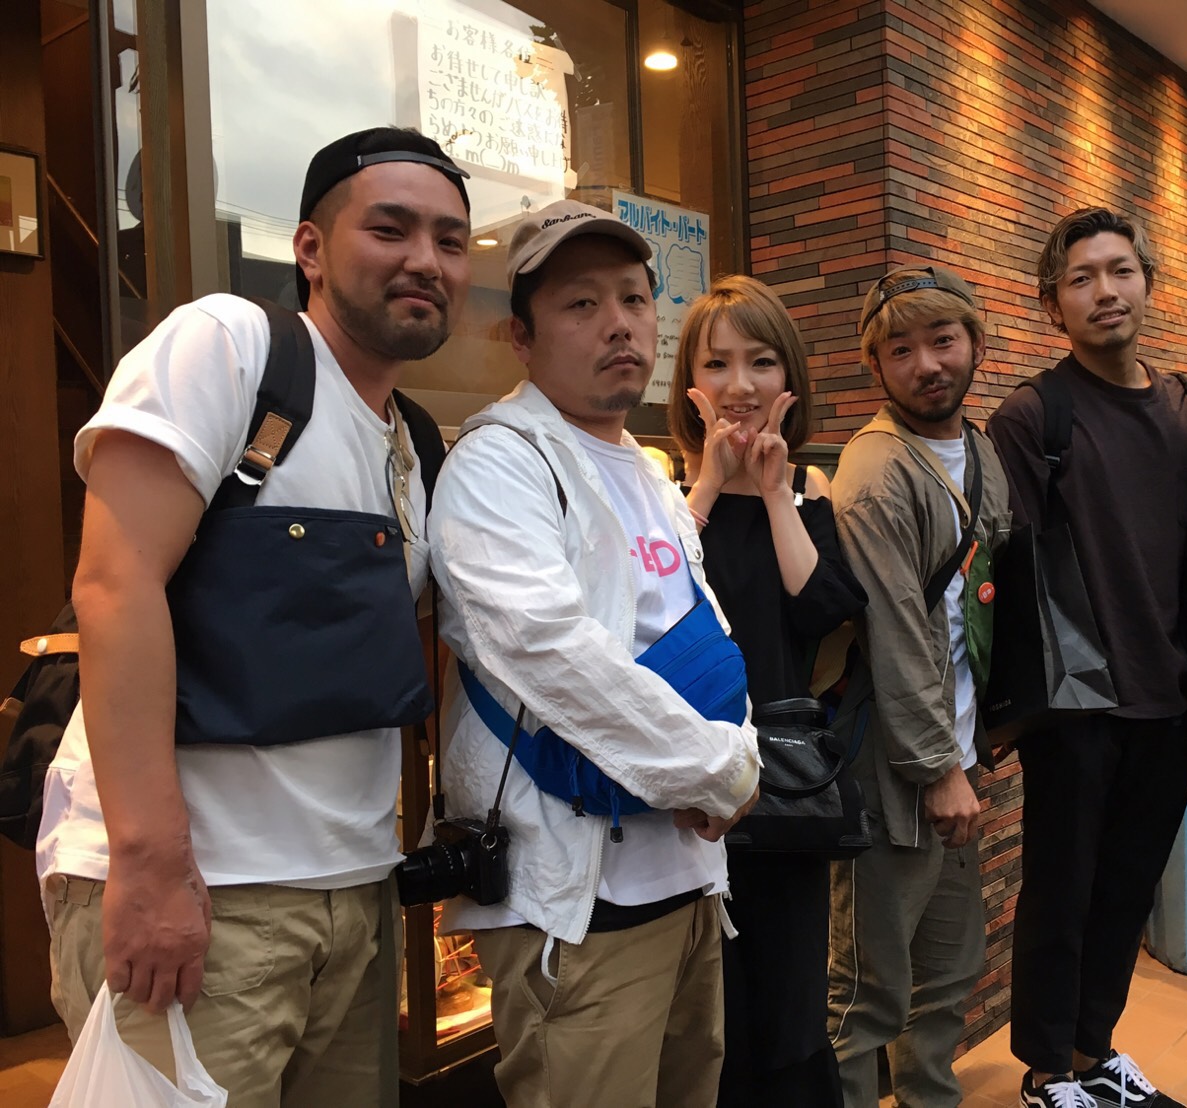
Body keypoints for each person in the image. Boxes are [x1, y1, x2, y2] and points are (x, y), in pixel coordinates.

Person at [37, 126, 472, 1106]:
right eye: (391, 229)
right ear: (310, 248)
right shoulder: (232, 345)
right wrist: (150, 866)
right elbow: (114, 583)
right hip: (204, 891)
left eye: (450, 241)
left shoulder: (416, 443)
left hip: (355, 891)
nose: (425, 259)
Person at [427, 200, 761, 1107]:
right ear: (520, 337)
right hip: (578, 904)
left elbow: (705, 638)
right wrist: (722, 770)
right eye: (580, 304)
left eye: (634, 299)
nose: (618, 323)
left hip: (690, 878)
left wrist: (733, 757)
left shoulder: (647, 471)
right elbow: (549, 652)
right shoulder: (500, 462)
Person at [987, 207, 1187, 1108]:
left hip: (1167, 696)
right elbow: (1006, 570)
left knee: (1125, 891)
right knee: (1061, 891)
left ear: (1147, 283)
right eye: (1080, 279)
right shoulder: (1033, 414)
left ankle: (1094, 1049)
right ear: (1053, 305)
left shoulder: (1186, 405)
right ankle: (1047, 1071)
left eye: (1119, 271)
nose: (1103, 291)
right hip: (1076, 704)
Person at [667, 274, 868, 1107]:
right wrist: (709, 484)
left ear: (789, 377)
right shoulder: (664, 496)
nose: (740, 385)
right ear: (689, 382)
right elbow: (657, 604)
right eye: (716, 364)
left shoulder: (811, 494)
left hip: (781, 793)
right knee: (707, 1016)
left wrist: (777, 492)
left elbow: (821, 610)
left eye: (760, 362)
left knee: (788, 1008)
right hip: (682, 793)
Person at [826, 263, 1013, 1107]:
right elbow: (894, 633)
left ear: (975, 343)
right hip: (892, 770)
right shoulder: (876, 472)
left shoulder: (979, 452)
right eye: (899, 350)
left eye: (942, 340)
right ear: (874, 365)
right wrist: (939, 768)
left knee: (947, 972)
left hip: (953, 755)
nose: (926, 364)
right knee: (864, 990)